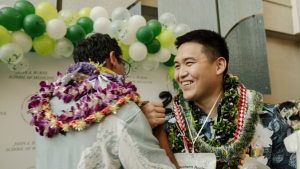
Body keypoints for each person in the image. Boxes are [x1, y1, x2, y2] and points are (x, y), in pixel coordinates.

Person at [30, 33, 176, 169]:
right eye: (123, 64)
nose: (124, 72)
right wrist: (143, 123)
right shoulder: (124, 110)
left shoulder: (44, 109)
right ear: (113, 58)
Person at [162, 30, 296, 169]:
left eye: (189, 63)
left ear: (219, 66)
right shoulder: (168, 126)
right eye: (177, 66)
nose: (180, 74)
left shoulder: (267, 120)